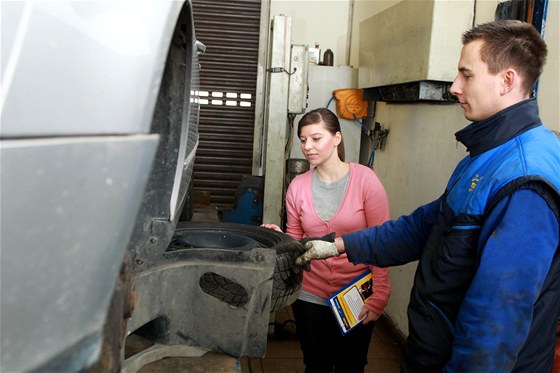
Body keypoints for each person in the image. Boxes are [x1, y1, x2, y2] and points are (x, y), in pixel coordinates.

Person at [296, 20, 560, 372]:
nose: (454, 87)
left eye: (466, 75)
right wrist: (340, 245)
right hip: (433, 352)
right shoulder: (487, 156)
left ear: (507, 80)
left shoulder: (524, 180)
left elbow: (495, 322)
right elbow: (423, 226)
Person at [262, 107, 391, 373]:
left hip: (357, 293)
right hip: (310, 293)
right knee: (316, 363)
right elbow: (296, 240)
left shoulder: (366, 181)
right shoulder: (297, 186)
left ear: (337, 138)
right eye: (303, 139)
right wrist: (278, 238)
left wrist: (379, 296)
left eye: (316, 138)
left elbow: (382, 242)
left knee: (351, 364)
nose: (307, 146)